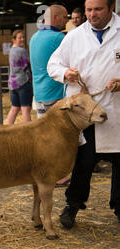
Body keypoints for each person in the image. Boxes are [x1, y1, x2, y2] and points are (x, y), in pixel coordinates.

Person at [47, 0, 120, 228]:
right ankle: (73, 204)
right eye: (88, 9)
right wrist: (65, 73)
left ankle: (119, 207)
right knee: (83, 161)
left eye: (98, 9)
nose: (91, 14)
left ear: (111, 9)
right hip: (83, 114)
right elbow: (53, 64)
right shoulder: (74, 36)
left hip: (115, 110)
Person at [30, 5, 71, 188]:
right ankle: (59, 176)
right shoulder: (58, 38)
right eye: (64, 17)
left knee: (44, 138)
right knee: (59, 139)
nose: (67, 20)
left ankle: (44, 173)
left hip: (39, 94)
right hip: (55, 93)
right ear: (55, 18)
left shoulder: (34, 37)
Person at [6, 30, 33, 124]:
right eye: (19, 37)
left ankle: (6, 130)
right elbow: (30, 64)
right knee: (26, 109)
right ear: (13, 39)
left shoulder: (11, 50)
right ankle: (27, 132)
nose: (22, 39)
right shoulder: (22, 50)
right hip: (23, 82)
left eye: (23, 37)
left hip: (13, 83)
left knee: (14, 108)